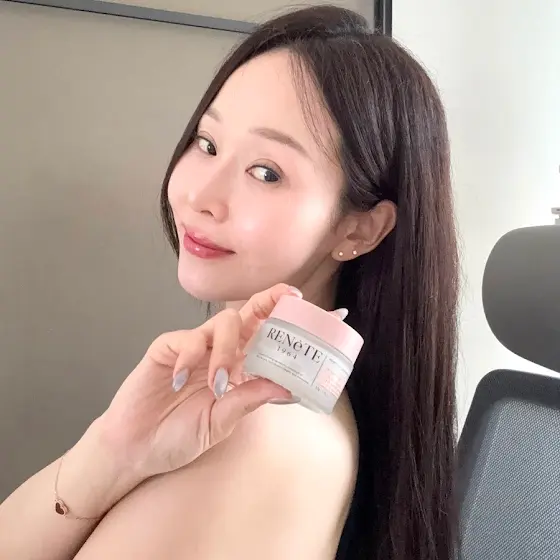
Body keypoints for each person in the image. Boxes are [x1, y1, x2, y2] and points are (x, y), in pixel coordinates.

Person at [0, 5, 459, 560]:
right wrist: (111, 451)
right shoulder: (227, 406)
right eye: (208, 144)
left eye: (266, 173)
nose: (200, 195)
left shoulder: (262, 436)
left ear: (358, 228)